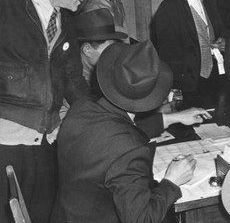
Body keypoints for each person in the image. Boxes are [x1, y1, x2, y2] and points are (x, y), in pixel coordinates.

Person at [48, 41, 212, 223]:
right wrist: (171, 182)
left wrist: (174, 118)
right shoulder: (130, 149)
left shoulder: (83, 107)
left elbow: (118, 126)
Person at [0, 0, 95, 223]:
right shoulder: (5, 4)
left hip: (48, 139)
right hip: (7, 143)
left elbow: (73, 80)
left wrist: (100, 118)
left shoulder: (65, 19)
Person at [73, 8, 212, 138]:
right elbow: (110, 132)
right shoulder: (71, 89)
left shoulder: (105, 75)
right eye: (109, 50)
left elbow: (122, 123)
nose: (114, 56)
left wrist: (172, 117)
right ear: (87, 50)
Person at [152, 0, 227, 93]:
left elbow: (222, 31)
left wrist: (224, 41)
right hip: (188, 82)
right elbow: (167, 54)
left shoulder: (210, 1)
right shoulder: (168, 8)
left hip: (216, 75)